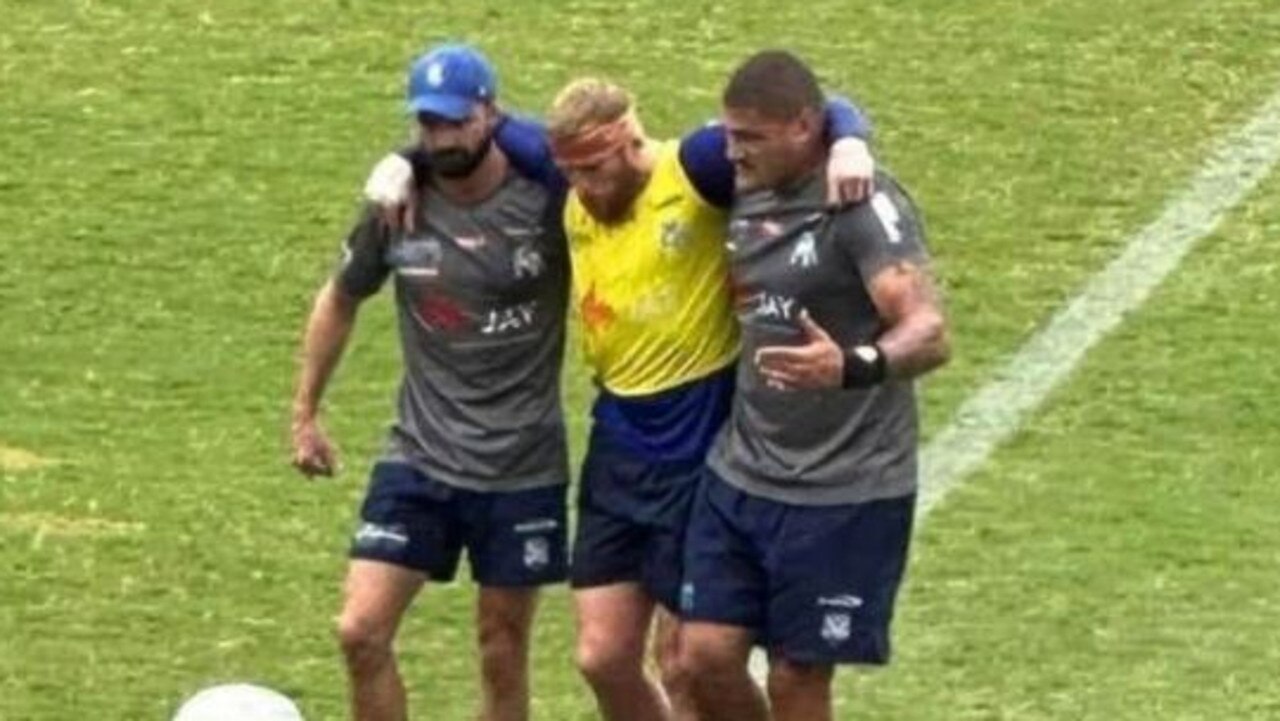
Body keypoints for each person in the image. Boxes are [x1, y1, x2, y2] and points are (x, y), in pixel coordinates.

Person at [365, 65, 877, 721]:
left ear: (630, 143)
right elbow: (473, 129)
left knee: (687, 662)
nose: (577, 188)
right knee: (602, 657)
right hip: (618, 438)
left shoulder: (692, 170)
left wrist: (851, 138)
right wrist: (403, 158)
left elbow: (799, 113)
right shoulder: (569, 173)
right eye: (568, 172)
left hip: (699, 434)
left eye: (593, 169)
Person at [289, 43, 571, 721]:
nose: (440, 137)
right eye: (427, 125)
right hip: (420, 457)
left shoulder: (545, 202)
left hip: (522, 464)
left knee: (501, 648)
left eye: (454, 122)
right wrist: (304, 411)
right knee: (359, 630)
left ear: (489, 114)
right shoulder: (396, 205)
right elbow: (341, 295)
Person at [676, 50, 951, 721]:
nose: (731, 153)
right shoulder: (736, 176)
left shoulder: (858, 202)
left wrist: (850, 365)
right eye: (729, 133)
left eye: (750, 138)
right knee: (702, 657)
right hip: (744, 471)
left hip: (844, 485)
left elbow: (929, 331)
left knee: (798, 679)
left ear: (803, 128)